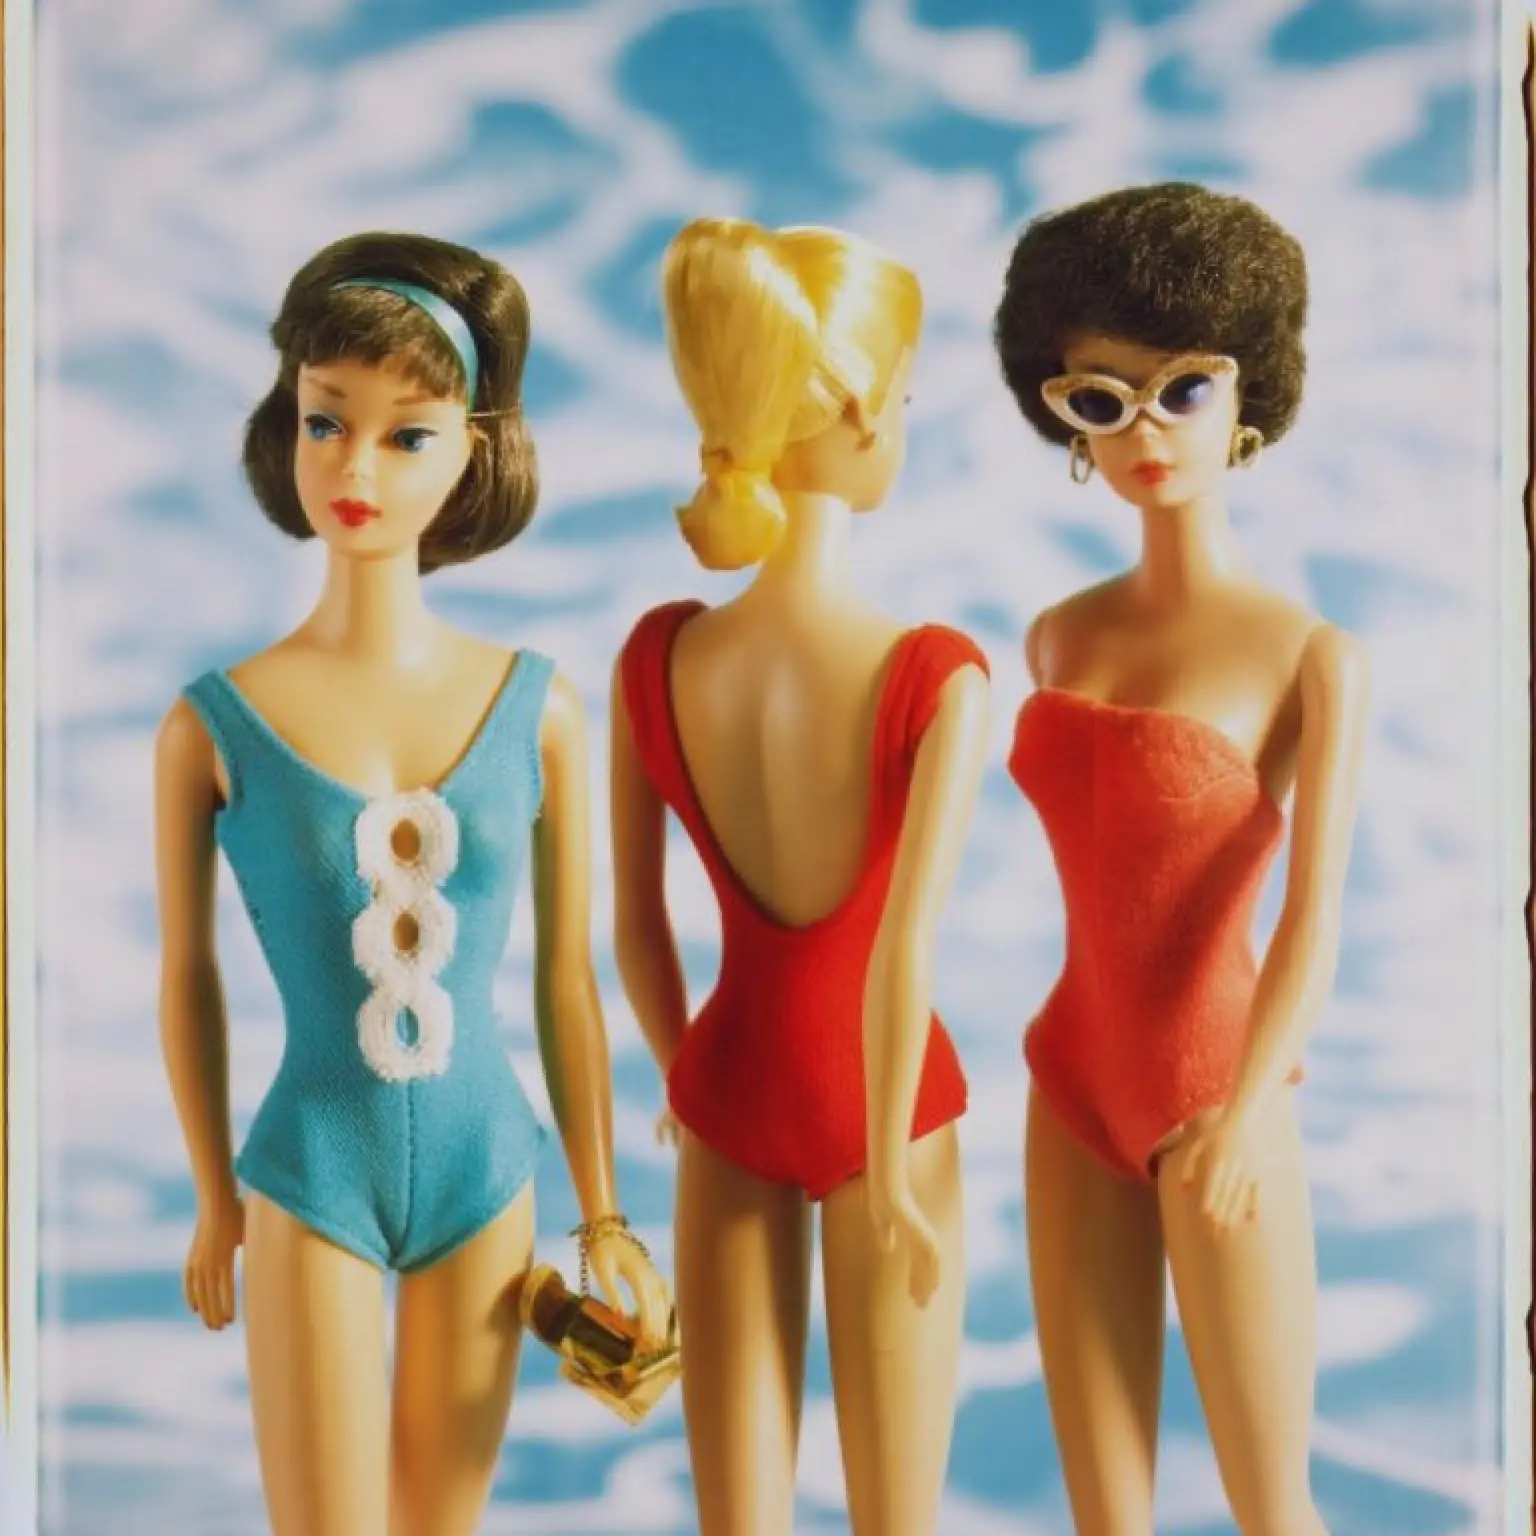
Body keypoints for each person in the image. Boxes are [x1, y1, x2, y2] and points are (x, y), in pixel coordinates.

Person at [154, 230, 669, 1536]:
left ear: (475, 450)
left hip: (487, 1169)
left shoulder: (539, 709)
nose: (356, 469)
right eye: (327, 421)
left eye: (408, 436)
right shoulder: (213, 725)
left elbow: (568, 979)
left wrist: (603, 1215)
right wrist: (213, 1193)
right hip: (310, 1166)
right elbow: (187, 972)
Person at [996, 182, 1367, 1535]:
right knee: (1105, 1512)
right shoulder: (1056, 635)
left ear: (1248, 390)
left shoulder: (1308, 655)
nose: (1145, 433)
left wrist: (1254, 1104)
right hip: (1068, 1078)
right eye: (1101, 400)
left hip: (1218, 1090)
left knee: (1274, 1506)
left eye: (1182, 390)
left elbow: (1315, 918)